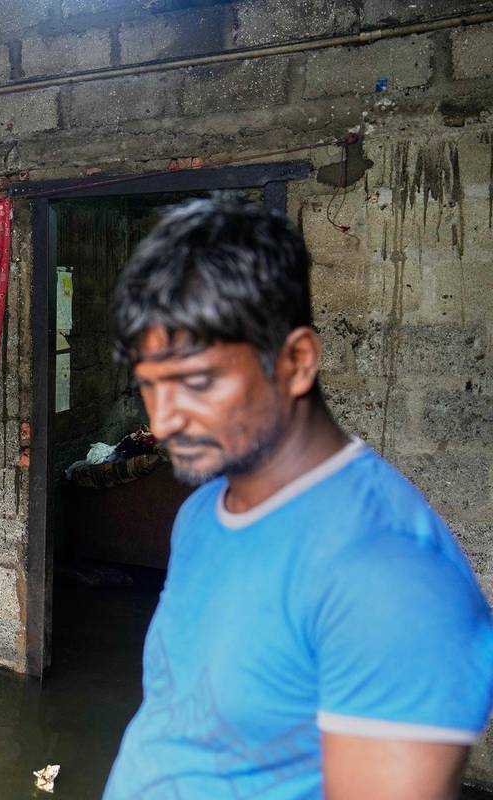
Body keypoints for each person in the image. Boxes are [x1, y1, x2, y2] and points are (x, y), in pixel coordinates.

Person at [103, 196, 493, 799]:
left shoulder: (389, 578)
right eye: (149, 387)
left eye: (197, 382)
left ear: (296, 362)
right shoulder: (203, 515)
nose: (164, 419)